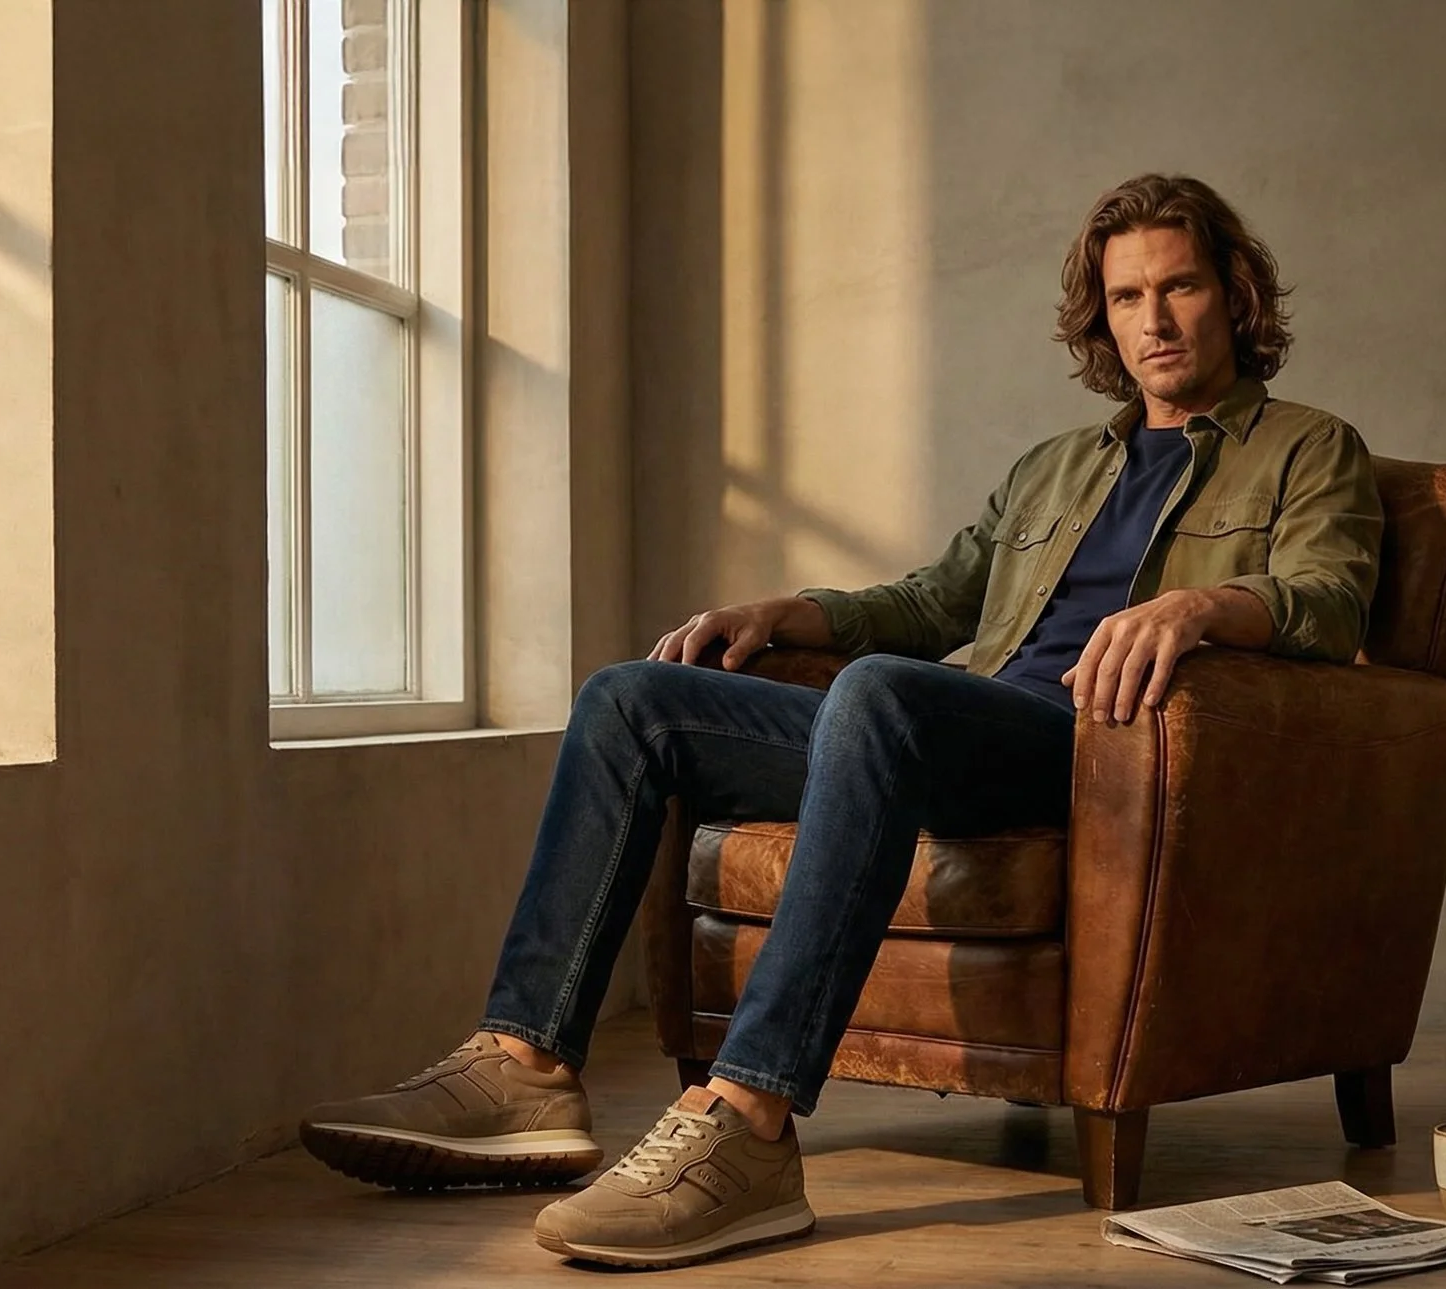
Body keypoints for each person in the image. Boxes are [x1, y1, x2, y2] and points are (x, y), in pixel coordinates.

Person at [297, 173, 1384, 1269]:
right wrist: (787, 610)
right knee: (632, 696)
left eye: (1180, 285)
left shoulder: (1307, 447)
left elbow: (1327, 597)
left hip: (1092, 750)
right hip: (949, 727)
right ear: (1099, 315)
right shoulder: (1057, 466)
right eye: (1125, 295)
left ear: (1231, 292)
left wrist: (1202, 605)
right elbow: (929, 603)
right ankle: (525, 1061)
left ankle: (750, 1122)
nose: (1152, 318)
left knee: (877, 692)